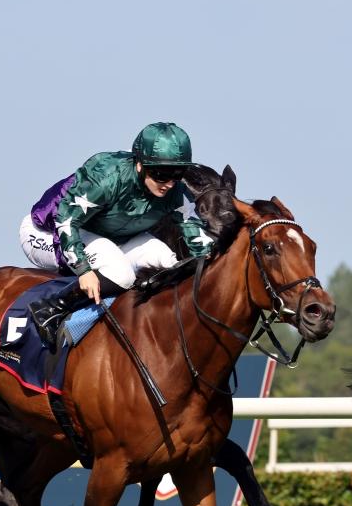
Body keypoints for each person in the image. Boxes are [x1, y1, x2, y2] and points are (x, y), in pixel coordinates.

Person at [19, 121, 214, 348]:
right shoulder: (107, 177)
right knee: (121, 275)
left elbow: (197, 236)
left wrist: (211, 260)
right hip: (52, 231)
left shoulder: (176, 192)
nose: (169, 184)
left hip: (113, 237)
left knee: (171, 265)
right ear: (140, 165)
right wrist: (83, 270)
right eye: (162, 174)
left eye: (177, 174)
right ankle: (51, 307)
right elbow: (66, 220)